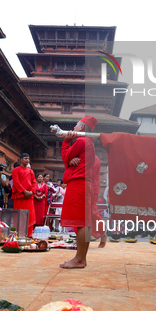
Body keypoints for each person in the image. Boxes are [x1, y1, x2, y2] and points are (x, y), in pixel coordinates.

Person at [60, 115, 97, 269]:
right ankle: (82, 258)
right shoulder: (89, 142)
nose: (73, 128)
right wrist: (70, 161)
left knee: (81, 223)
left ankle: (79, 259)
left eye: (76, 125)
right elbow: (69, 159)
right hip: (84, 184)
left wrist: (66, 141)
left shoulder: (81, 141)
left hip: (78, 184)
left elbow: (65, 157)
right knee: (85, 223)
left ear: (81, 128)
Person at [11, 153, 36, 236]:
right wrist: (24, 191)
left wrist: (31, 192)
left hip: (29, 197)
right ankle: (17, 234)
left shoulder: (31, 171)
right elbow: (16, 182)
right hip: (20, 196)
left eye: (28, 158)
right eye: (25, 158)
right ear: (20, 160)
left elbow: (34, 183)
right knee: (18, 215)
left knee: (29, 215)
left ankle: (29, 234)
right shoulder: (16, 170)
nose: (27, 160)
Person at [91, 154, 107, 248]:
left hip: (92, 189)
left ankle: (103, 234)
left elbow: (90, 173)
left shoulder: (95, 159)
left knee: (93, 213)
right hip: (82, 189)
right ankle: (80, 239)